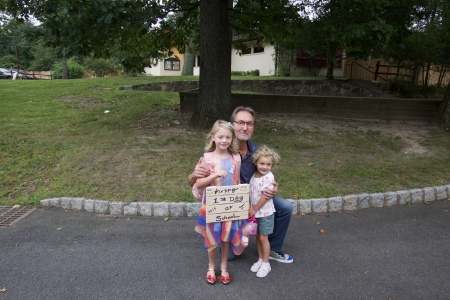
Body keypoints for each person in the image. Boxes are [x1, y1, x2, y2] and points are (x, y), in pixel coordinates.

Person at [188, 106, 293, 263]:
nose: (245, 128)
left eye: (249, 124)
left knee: (285, 207)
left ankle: (272, 249)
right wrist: (194, 175)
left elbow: (267, 172)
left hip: (255, 197)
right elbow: (193, 181)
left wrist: (273, 186)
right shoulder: (219, 150)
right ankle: (224, 238)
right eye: (241, 123)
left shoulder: (257, 151)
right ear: (232, 125)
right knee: (230, 256)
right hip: (229, 201)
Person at [194, 120, 243, 285]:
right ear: (213, 137)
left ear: (232, 139)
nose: (224, 140)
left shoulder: (236, 158)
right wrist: (213, 176)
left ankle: (223, 267)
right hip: (212, 205)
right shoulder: (207, 158)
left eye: (228, 137)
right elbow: (199, 183)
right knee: (212, 236)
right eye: (220, 136)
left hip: (229, 205)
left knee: (226, 237)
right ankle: (211, 266)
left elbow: (237, 181)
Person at [249, 146, 280, 278]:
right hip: (256, 213)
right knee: (257, 237)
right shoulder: (254, 175)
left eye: (268, 164)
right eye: (262, 163)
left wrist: (254, 208)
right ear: (256, 163)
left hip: (265, 213)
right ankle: (260, 259)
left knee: (263, 238)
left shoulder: (268, 177)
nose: (265, 167)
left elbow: (265, 197)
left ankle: (266, 263)